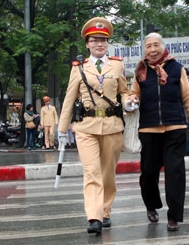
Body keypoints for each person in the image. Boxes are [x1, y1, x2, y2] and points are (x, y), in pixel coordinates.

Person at [56, 16, 130, 235]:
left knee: (108, 174)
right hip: (86, 127)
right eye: (95, 40)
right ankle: (94, 217)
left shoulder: (117, 65)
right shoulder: (79, 68)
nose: (99, 44)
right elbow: (69, 99)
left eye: (103, 40)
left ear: (107, 43)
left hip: (112, 126)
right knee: (92, 172)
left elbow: (123, 91)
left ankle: (106, 211)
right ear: (87, 43)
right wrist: (61, 130)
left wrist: (129, 102)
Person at [127, 32, 189, 232]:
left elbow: (188, 98)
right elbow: (134, 93)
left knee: (175, 174)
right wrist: (132, 99)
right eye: (148, 46)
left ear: (163, 46)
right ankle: (151, 205)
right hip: (149, 130)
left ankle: (174, 216)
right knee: (148, 173)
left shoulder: (177, 69)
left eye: (156, 45)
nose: (152, 49)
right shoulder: (140, 71)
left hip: (175, 129)